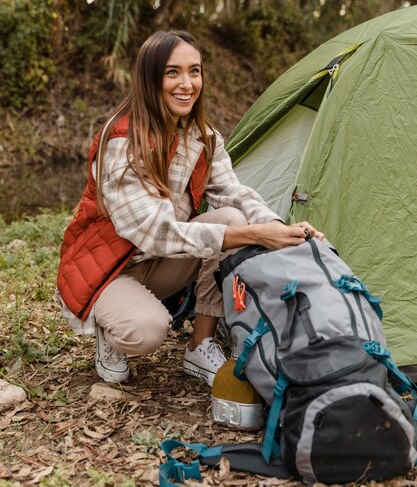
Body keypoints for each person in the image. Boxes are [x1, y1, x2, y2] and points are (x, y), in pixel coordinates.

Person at [57, 29, 323, 386]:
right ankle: (110, 330)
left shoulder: (203, 137)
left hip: (158, 264)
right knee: (147, 331)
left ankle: (200, 343)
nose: (187, 83)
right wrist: (255, 234)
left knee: (233, 216)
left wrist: (278, 226)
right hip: (108, 269)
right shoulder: (121, 140)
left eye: (194, 71)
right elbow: (155, 232)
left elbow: (234, 191)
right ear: (150, 78)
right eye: (173, 72)